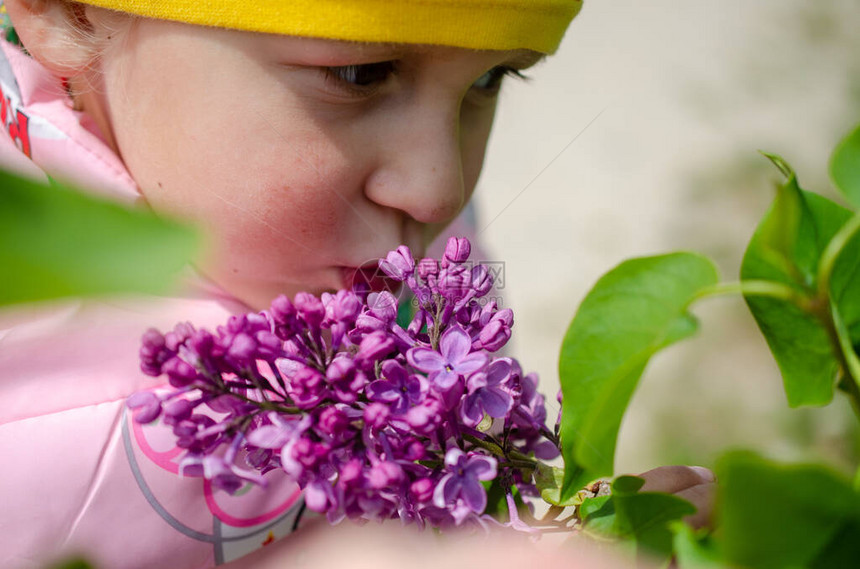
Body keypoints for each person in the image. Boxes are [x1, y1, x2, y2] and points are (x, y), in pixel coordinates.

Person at [0, 1, 714, 568]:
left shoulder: (376, 238)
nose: (439, 187)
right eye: (361, 74)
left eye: (489, 79)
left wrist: (542, 535)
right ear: (71, 12)